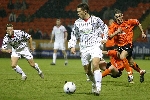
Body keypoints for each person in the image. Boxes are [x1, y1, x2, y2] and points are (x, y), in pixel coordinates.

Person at [68, 3, 108, 96]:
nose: (77, 13)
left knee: (95, 64)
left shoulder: (96, 20)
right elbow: (74, 35)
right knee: (87, 71)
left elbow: (105, 28)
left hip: (95, 46)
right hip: (84, 48)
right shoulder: (77, 23)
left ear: (85, 11)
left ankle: (98, 87)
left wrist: (105, 37)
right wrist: (72, 45)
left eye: (79, 11)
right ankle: (94, 83)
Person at [108, 9, 146, 83]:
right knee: (131, 63)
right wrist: (116, 32)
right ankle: (141, 71)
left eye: (119, 16)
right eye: (116, 17)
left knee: (122, 57)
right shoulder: (113, 26)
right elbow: (110, 37)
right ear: (115, 18)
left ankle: (130, 75)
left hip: (128, 44)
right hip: (119, 46)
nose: (118, 18)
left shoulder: (128, 22)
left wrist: (142, 32)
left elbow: (137, 22)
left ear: (122, 15)